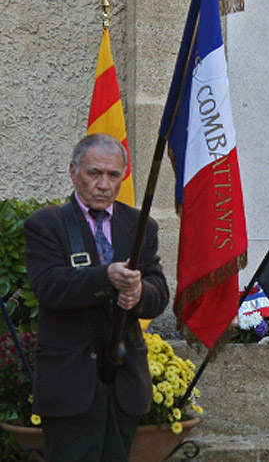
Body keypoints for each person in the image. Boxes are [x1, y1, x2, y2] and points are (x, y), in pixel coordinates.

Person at [24, 133, 169, 461]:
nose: (104, 184)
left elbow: (158, 291)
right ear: (74, 172)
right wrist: (106, 277)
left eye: (113, 175)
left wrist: (139, 292)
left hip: (124, 385)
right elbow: (50, 288)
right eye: (94, 173)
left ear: (122, 177)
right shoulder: (48, 224)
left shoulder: (139, 224)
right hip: (70, 385)